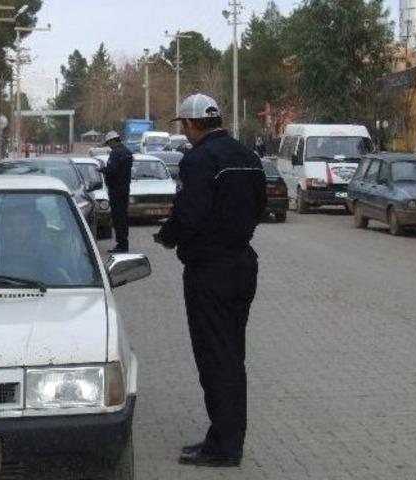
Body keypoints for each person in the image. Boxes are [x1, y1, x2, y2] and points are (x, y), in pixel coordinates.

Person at [154, 94, 266, 467]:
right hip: (242, 265)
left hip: (209, 272)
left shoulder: (198, 160)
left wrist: (168, 236)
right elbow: (260, 206)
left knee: (214, 358)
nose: (184, 134)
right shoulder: (249, 158)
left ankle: (224, 448)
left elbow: (190, 214)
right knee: (232, 355)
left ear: (189, 124)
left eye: (183, 126)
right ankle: (223, 436)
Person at [99, 131, 133, 253]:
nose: (109, 145)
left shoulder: (115, 154)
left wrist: (102, 170)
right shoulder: (128, 152)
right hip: (125, 189)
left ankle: (121, 245)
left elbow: (113, 170)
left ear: (113, 141)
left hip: (116, 190)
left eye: (109, 143)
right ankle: (124, 243)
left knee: (118, 218)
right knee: (123, 217)